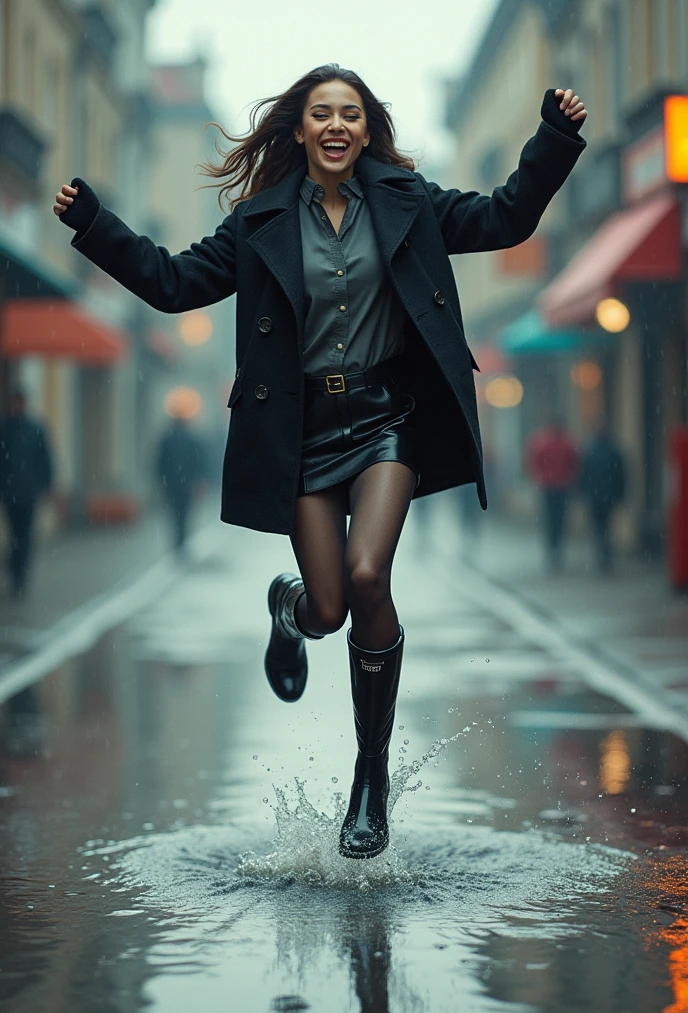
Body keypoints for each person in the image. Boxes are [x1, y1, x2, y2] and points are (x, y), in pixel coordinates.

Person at [54, 65, 587, 858]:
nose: (335, 126)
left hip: (386, 421)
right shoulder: (258, 222)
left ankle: (369, 782)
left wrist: (554, 137)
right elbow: (169, 284)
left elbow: (507, 218)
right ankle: (290, 609)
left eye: (350, 114)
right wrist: (95, 223)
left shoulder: (410, 203)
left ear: (367, 130)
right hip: (301, 433)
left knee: (371, 576)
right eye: (320, 114)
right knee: (332, 610)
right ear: (300, 131)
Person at [0, 389, 53, 597]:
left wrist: (45, 485)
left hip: (28, 492)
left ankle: (21, 575)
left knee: (25, 535)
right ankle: (14, 568)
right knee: (14, 534)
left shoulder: (35, 429)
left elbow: (45, 459)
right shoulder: (5, 429)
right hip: (10, 492)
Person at [525, 417, 580, 572]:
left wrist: (540, 477)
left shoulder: (543, 442)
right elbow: (574, 462)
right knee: (559, 520)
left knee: (550, 520)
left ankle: (552, 549)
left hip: (549, 487)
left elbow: (534, 461)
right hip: (560, 487)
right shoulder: (566, 442)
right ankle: (556, 549)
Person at [155, 416, 208, 555]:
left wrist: (161, 481)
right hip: (185, 484)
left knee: (176, 514)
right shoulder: (191, 441)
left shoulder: (167, 440)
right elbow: (200, 462)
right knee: (183, 514)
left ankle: (179, 541)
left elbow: (159, 463)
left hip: (174, 484)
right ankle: (181, 541)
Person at [579, 424, 627, 573]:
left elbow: (584, 474)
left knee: (599, 526)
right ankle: (605, 554)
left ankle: (602, 553)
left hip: (596, 496)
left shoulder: (590, 450)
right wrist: (620, 493)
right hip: (608, 495)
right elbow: (621, 474)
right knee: (606, 525)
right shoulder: (613, 450)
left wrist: (583, 491)